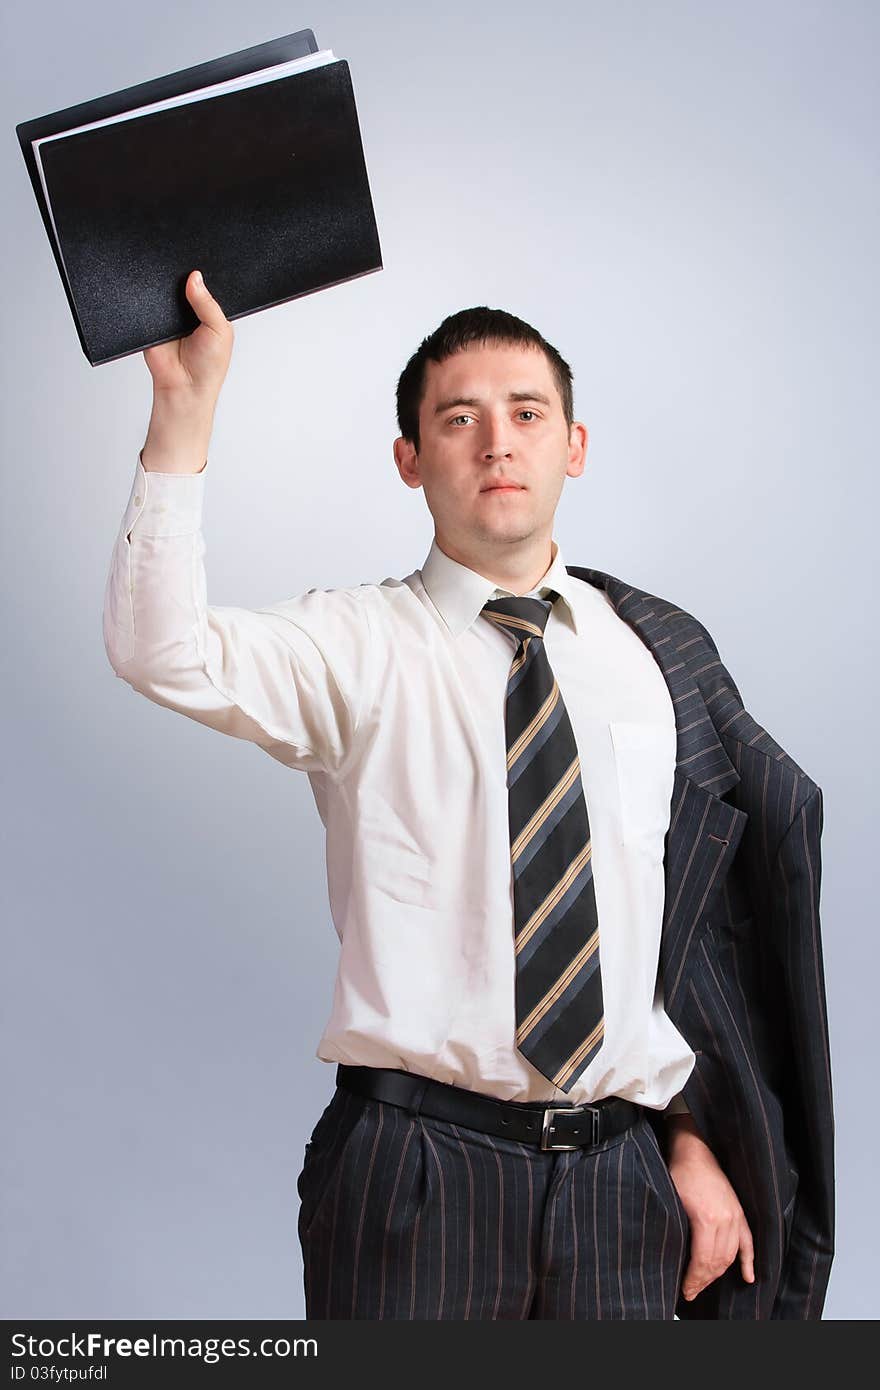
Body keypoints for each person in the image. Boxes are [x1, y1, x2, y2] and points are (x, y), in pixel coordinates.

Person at [103, 270, 833, 1320]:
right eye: (459, 418)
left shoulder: (659, 657)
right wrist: (183, 410)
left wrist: (693, 1134)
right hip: (416, 1172)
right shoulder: (353, 644)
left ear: (572, 447)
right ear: (410, 459)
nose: (498, 442)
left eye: (527, 414)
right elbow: (158, 650)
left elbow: (696, 939)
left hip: (623, 1189)